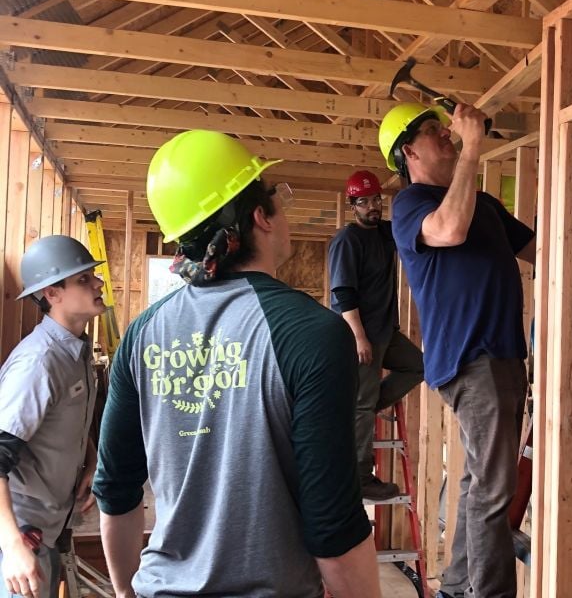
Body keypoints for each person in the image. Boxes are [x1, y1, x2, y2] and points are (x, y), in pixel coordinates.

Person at [92, 130, 381, 598]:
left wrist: (126, 593)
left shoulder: (142, 335)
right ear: (260, 217)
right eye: (276, 199)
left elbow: (115, 489)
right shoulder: (314, 332)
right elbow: (333, 524)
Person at [379, 103, 536, 598]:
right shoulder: (411, 204)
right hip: (472, 360)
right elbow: (449, 230)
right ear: (409, 152)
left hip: (503, 357)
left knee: (477, 484)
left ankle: (456, 587)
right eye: (432, 132)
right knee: (495, 492)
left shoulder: (481, 202)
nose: (446, 135)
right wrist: (472, 150)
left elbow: (540, 248)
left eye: (444, 128)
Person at [0, 235, 106, 598]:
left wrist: (89, 459)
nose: (98, 283)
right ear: (51, 294)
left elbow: (62, 420)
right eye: (83, 279)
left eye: (93, 274)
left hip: (49, 528)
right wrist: (12, 546)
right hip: (17, 543)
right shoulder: (39, 362)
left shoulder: (74, 352)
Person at [327, 170, 424, 501]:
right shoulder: (347, 240)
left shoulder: (384, 234)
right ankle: (360, 477)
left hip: (385, 332)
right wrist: (359, 337)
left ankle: (355, 410)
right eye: (365, 201)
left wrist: (412, 177)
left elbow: (411, 223)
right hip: (358, 334)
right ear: (352, 205)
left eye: (377, 200)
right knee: (362, 403)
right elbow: (343, 294)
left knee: (417, 366)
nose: (373, 207)